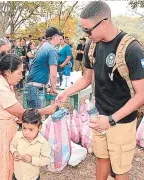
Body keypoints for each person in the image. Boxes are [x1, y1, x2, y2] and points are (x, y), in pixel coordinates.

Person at [56, 1, 144, 180]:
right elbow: (86, 78)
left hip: (121, 120)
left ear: (104, 22)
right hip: (98, 116)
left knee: (120, 169)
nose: (86, 35)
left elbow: (142, 94)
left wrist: (111, 120)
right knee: (101, 158)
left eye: (88, 30)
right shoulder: (92, 45)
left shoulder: (132, 49)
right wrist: (67, 91)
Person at [0, 54, 57, 180]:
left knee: (5, 168)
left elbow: (10, 110)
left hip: (3, 130)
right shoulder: (1, 89)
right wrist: (46, 110)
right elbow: (23, 113)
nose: (21, 77)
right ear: (9, 72)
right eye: (19, 73)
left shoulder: (6, 85)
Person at [24, 27, 63, 109]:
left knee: (32, 117)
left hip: (32, 86)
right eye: (59, 36)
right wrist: (53, 88)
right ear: (54, 37)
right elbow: (53, 74)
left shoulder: (43, 46)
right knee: (35, 118)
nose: (60, 38)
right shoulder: (51, 50)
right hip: (36, 88)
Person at [10, 108, 51, 180]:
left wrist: (32, 159)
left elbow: (46, 159)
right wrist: (14, 152)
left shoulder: (42, 143)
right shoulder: (18, 136)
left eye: (31, 129)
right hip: (17, 176)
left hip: (33, 177)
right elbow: (12, 145)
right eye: (24, 128)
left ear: (39, 127)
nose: (26, 132)